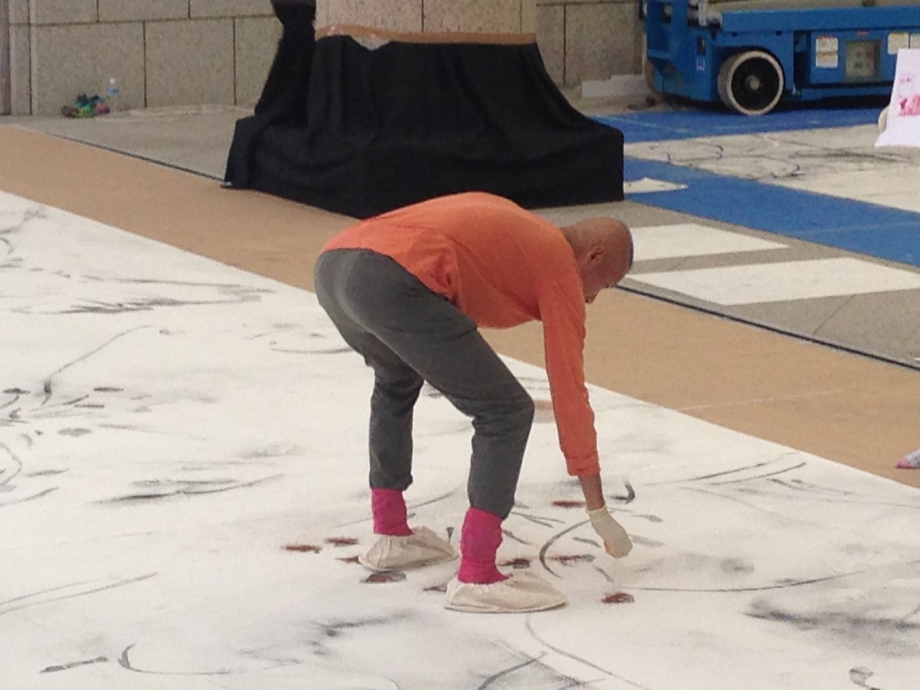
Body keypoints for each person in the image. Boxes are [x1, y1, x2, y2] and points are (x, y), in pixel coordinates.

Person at [314, 191, 634, 613]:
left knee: (395, 381)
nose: (591, 299)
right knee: (506, 411)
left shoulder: (522, 226)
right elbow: (569, 390)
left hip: (334, 267)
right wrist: (597, 509)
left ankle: (391, 532)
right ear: (593, 257)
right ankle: (477, 573)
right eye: (603, 286)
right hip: (391, 279)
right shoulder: (558, 263)